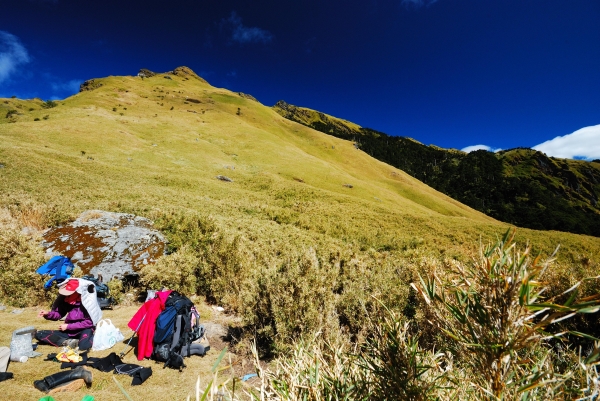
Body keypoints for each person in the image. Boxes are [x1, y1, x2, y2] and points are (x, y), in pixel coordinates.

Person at [35, 278, 102, 351]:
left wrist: (68, 326)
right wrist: (47, 314)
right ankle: (67, 342)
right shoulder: (67, 301)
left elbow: (88, 323)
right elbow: (59, 314)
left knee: (83, 346)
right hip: (70, 332)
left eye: (69, 294)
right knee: (40, 334)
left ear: (77, 292)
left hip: (84, 330)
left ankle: (87, 338)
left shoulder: (88, 305)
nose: (66, 296)